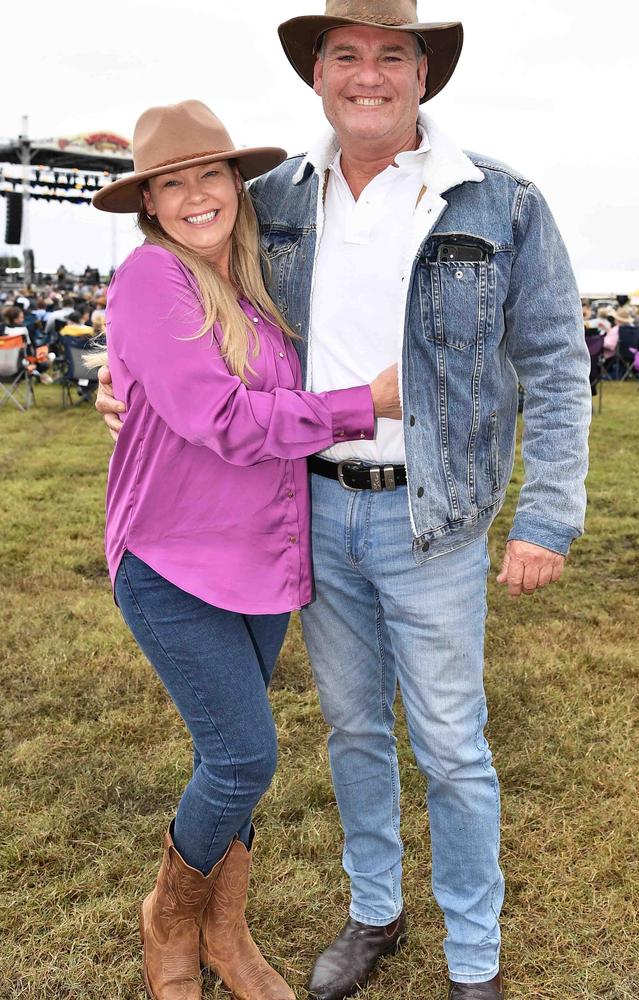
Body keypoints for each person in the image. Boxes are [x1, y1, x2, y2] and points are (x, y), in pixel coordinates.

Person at [97, 4, 592, 998]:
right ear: (317, 74)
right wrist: (125, 384)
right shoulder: (274, 194)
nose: (368, 75)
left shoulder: (499, 201)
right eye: (346, 55)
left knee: (450, 740)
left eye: (391, 54)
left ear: (422, 72)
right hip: (307, 510)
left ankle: (472, 960)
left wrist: (546, 515)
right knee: (352, 729)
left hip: (434, 516)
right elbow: (186, 307)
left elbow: (554, 365)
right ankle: (372, 913)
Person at [92, 98, 400, 1000]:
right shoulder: (153, 280)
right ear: (150, 205)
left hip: (262, 564)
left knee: (230, 754)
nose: (194, 196)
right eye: (171, 184)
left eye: (209, 175)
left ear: (237, 184)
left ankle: (226, 933)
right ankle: (170, 920)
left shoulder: (258, 288)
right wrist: (361, 405)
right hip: (172, 560)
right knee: (243, 756)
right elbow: (216, 418)